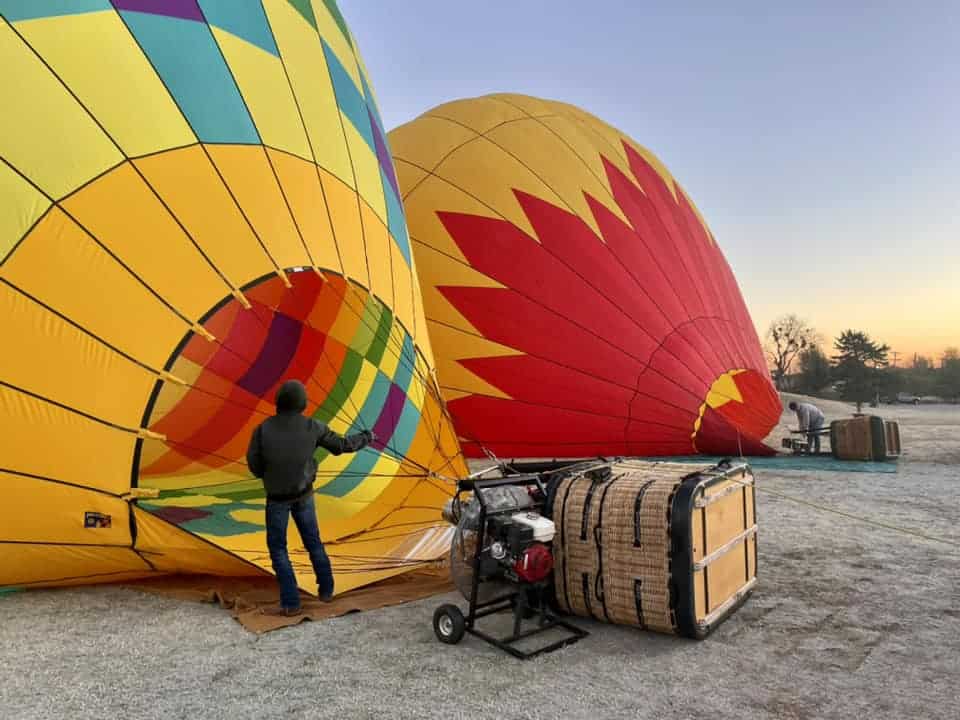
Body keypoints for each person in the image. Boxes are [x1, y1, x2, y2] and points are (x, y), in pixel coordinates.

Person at [246, 379, 375, 616]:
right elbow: (342, 445)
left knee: (278, 549)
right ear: (302, 403)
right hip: (304, 494)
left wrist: (272, 472)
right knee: (313, 542)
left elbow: (254, 466)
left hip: (276, 499)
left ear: (278, 402)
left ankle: (291, 603)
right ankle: (326, 590)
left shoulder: (262, 430)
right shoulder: (312, 426)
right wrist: (367, 437)